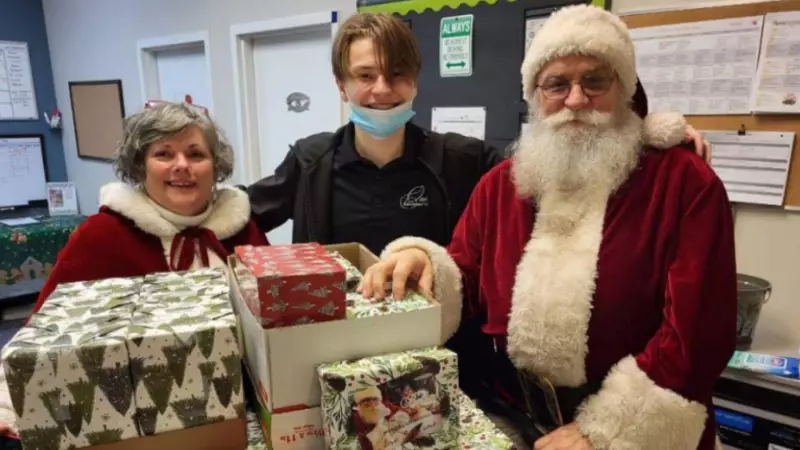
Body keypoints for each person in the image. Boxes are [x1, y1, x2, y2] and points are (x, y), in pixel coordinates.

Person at [359, 5, 736, 450]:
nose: (575, 100)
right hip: (517, 417)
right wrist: (425, 260)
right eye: (556, 83)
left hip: (633, 433)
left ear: (624, 87)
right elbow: (466, 273)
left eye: (595, 80)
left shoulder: (683, 184)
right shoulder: (502, 185)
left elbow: (698, 335)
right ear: (535, 94)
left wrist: (604, 431)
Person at [245, 12, 712, 257]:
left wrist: (645, 132)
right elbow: (233, 216)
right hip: (332, 350)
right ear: (341, 85)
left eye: (398, 74)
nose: (382, 90)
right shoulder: (311, 160)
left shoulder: (460, 158)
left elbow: (568, 163)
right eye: (365, 76)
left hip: (440, 358)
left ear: (417, 81)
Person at [0, 102, 269, 436]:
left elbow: (272, 320)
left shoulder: (243, 230)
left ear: (215, 166)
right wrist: (8, 406)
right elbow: (43, 334)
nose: (182, 166)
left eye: (196, 154)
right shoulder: (102, 235)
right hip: (130, 417)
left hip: (240, 409)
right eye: (164, 154)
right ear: (140, 166)